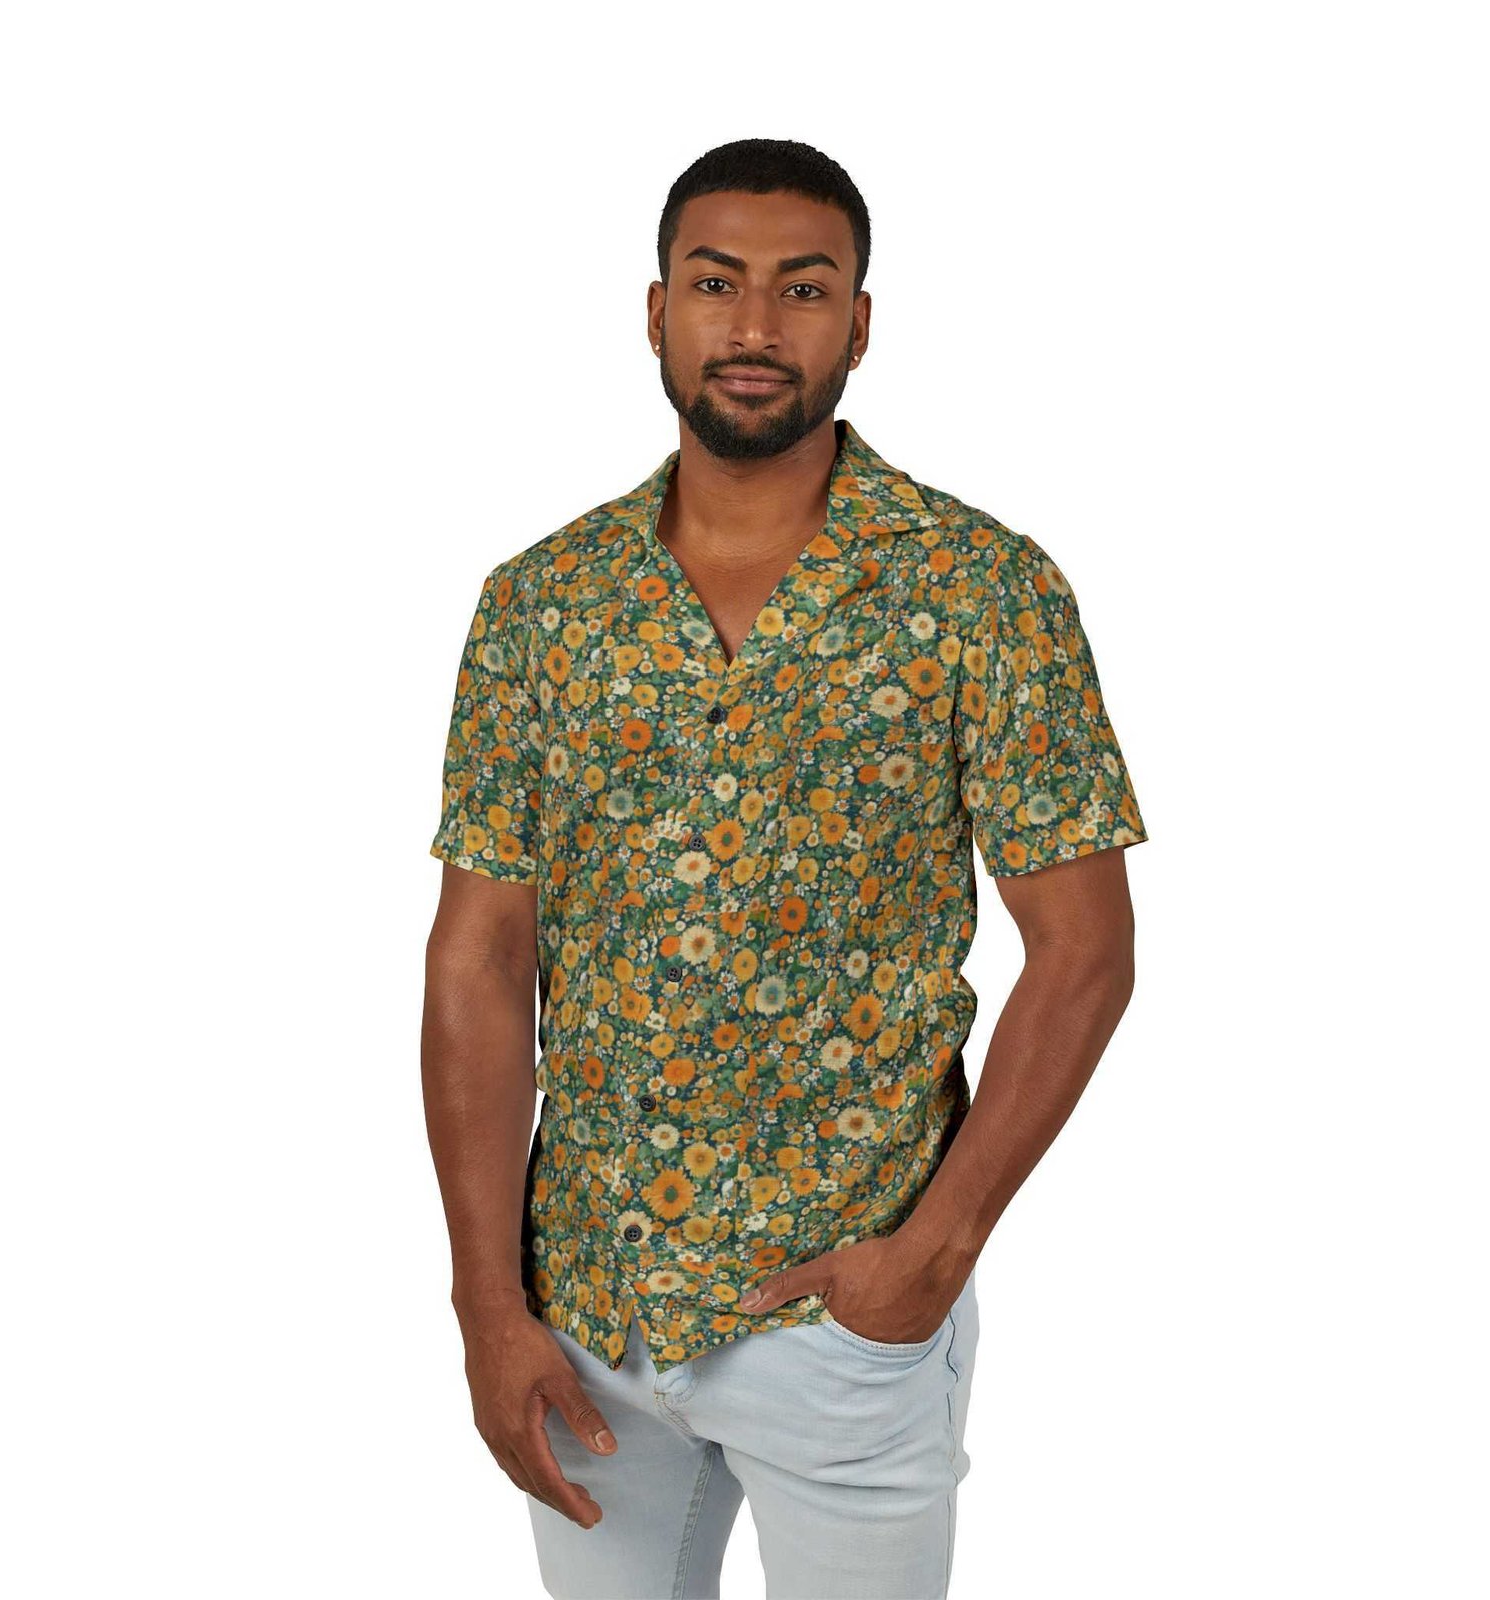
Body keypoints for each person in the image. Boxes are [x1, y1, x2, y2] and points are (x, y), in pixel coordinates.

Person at [421, 137, 1149, 1600]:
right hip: (585, 1315)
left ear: (859, 325)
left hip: (841, 1315)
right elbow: (480, 958)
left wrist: (930, 1257)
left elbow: (1084, 950)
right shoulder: (542, 603)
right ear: (656, 311)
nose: (755, 326)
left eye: (803, 290)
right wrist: (487, 1304)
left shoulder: (983, 589)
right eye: (717, 284)